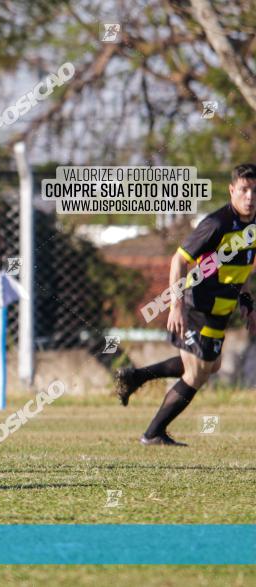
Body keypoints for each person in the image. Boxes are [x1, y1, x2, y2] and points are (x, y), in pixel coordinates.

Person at [115, 163, 256, 445]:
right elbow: (178, 260)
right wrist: (175, 305)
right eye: (244, 190)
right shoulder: (216, 224)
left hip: (220, 308)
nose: (250, 197)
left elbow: (240, 266)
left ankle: (136, 377)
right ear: (232, 191)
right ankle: (153, 433)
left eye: (255, 191)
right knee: (197, 373)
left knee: (212, 366)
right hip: (196, 305)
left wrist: (246, 302)